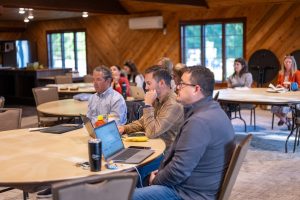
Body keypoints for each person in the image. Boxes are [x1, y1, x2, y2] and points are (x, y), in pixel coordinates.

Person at [132, 66, 235, 200]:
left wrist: (155, 181)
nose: (177, 87)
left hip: (187, 193)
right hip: (199, 185)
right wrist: (162, 173)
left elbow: (178, 171)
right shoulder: (213, 111)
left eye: (182, 84)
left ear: (196, 89)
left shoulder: (199, 122)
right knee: (141, 177)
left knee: (122, 195)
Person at [118, 65, 184, 149]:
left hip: (166, 154)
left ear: (161, 83)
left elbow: (151, 133)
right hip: (155, 146)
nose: (146, 87)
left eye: (149, 83)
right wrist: (124, 128)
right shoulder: (157, 99)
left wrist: (148, 105)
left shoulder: (173, 104)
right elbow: (143, 122)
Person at [271, 55, 300, 127]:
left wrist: (291, 84)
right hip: (281, 96)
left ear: (293, 63)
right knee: (273, 108)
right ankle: (286, 120)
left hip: (291, 97)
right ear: (283, 63)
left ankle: (284, 119)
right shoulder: (281, 73)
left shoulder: (297, 72)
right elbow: (278, 84)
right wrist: (278, 86)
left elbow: (299, 85)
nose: (287, 63)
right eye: (286, 62)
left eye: (289, 62)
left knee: (284, 108)